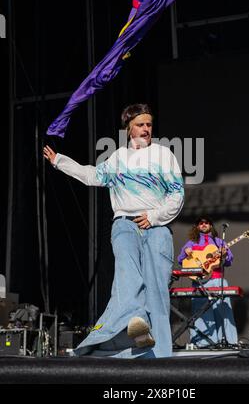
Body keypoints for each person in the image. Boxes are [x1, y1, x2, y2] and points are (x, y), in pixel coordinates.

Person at [44, 103, 184, 358]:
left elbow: (177, 193)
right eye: (140, 124)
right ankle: (133, 329)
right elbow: (93, 175)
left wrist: (153, 216)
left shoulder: (164, 155)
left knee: (157, 289)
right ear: (129, 127)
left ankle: (160, 354)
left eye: (149, 124)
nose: (146, 129)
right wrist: (59, 162)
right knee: (127, 279)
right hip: (125, 224)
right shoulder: (119, 157)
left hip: (157, 226)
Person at [46, 0, 213, 138]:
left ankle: (60, 122)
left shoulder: (147, 4)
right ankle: (60, 123)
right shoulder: (151, 1)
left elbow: (133, 25)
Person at [177, 215, 238, 348]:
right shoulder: (191, 242)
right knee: (201, 313)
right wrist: (185, 252)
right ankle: (203, 343)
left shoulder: (218, 242)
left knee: (222, 312)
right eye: (200, 223)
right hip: (199, 282)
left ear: (210, 225)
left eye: (206, 222)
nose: (203, 224)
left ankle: (228, 341)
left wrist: (225, 254)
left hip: (217, 280)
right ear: (197, 226)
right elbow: (181, 260)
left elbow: (229, 261)